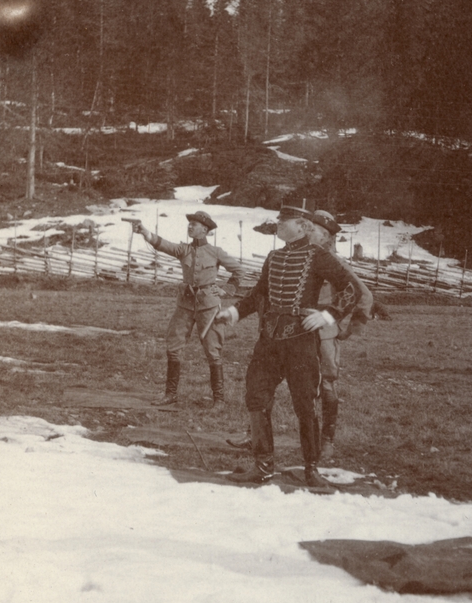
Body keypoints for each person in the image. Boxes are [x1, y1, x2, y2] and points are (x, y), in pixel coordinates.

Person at [215, 203, 368, 489]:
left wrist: (327, 315)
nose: (279, 224)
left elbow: (352, 289)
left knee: (305, 405)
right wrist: (234, 312)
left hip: (301, 341)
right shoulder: (273, 257)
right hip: (269, 341)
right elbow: (259, 293)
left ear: (302, 226)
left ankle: (311, 470)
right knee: (256, 397)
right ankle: (262, 467)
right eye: (279, 220)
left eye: (285, 221)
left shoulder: (318, 255)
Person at [127, 211, 243, 407]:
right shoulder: (184, 249)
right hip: (185, 305)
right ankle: (170, 394)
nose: (190, 226)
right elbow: (163, 244)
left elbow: (239, 270)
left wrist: (227, 289)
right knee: (173, 346)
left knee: (213, 350)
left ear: (204, 229)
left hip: (209, 307)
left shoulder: (215, 252)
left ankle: (219, 400)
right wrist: (145, 232)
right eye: (189, 224)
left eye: (194, 224)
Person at [307, 209, 374, 462]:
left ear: (326, 237)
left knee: (326, 384)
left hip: (323, 332)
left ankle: (327, 440)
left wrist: (351, 328)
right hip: (290, 331)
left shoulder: (334, 264)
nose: (306, 232)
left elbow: (363, 294)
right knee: (270, 378)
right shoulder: (291, 257)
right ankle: (255, 435)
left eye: (312, 229)